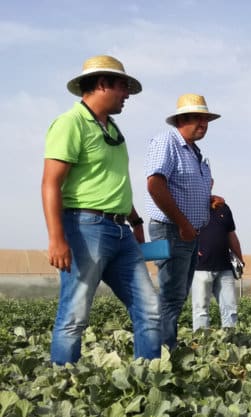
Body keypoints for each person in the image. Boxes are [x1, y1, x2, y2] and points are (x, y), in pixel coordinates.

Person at [41, 55, 161, 365]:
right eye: (123, 86)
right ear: (102, 84)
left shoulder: (113, 130)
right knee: (75, 314)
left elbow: (113, 182)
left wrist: (134, 221)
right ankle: (61, 385)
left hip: (120, 231)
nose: (127, 95)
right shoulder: (70, 123)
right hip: (85, 229)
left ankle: (150, 381)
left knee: (149, 307)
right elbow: (51, 183)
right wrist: (57, 238)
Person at [145, 94, 219, 348]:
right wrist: (183, 223)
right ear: (182, 119)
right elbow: (155, 184)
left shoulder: (194, 152)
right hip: (171, 229)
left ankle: (166, 345)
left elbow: (182, 189)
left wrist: (206, 199)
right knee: (170, 295)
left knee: (178, 294)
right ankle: (161, 349)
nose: (204, 124)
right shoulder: (168, 141)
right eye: (199, 118)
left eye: (206, 119)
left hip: (186, 231)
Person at [191, 194, 244, 331]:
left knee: (230, 309)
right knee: (201, 310)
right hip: (200, 267)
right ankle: (202, 346)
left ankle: (230, 343)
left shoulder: (223, 208)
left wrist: (240, 259)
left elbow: (231, 235)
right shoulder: (190, 205)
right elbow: (181, 231)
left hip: (224, 267)